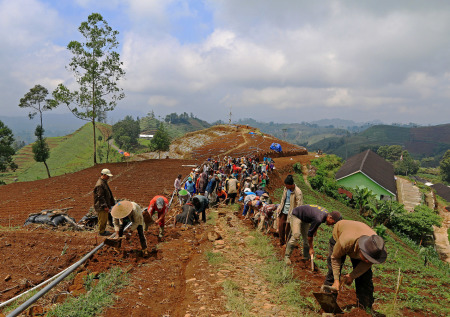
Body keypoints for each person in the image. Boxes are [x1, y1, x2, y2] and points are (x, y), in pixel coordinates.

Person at [323, 220, 387, 312]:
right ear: (361, 250)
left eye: (370, 260)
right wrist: (336, 280)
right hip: (341, 232)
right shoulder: (345, 242)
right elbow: (335, 258)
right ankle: (328, 306)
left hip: (360, 232)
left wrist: (352, 276)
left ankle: (365, 309)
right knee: (332, 275)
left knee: (365, 278)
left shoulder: (376, 248)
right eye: (366, 258)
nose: (368, 261)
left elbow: (366, 264)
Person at [276, 175, 303, 246]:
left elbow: (299, 204)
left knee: (288, 230)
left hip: (291, 213)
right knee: (281, 226)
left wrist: (295, 214)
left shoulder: (298, 192)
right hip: (283, 210)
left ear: (291, 185)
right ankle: (281, 241)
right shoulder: (286, 189)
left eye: (286, 185)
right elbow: (283, 199)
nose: (285, 186)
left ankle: (287, 244)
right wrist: (280, 207)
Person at [93, 168, 115, 236]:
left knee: (104, 219)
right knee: (102, 219)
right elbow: (100, 197)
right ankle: (101, 232)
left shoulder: (103, 182)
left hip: (103, 204)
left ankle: (103, 231)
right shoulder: (100, 184)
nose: (108, 177)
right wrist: (105, 206)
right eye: (108, 176)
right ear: (104, 175)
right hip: (101, 205)